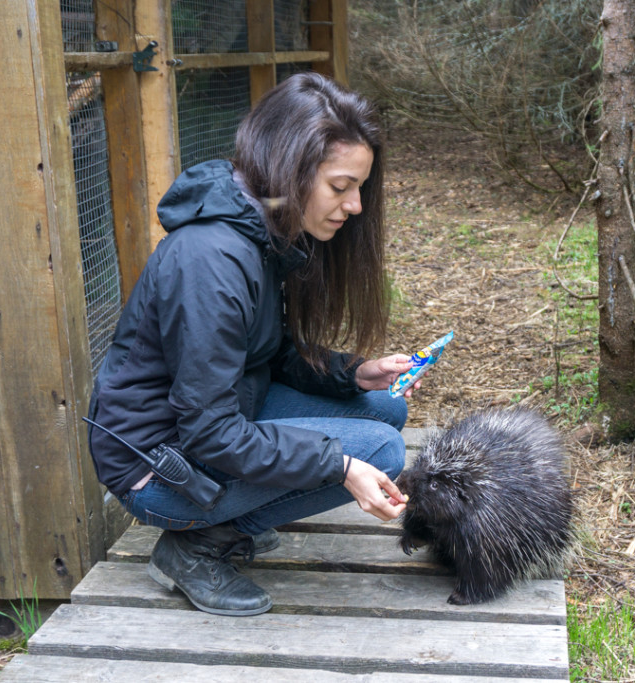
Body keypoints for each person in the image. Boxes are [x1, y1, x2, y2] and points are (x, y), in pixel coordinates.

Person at [87, 73, 420, 617]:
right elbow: (210, 433)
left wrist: (355, 373)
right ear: (292, 169)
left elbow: (269, 355)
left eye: (358, 187)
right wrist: (338, 466)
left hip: (219, 418)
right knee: (377, 452)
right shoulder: (212, 262)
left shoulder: (259, 230)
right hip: (161, 465)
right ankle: (195, 546)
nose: (356, 205)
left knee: (384, 406)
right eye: (341, 187)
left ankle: (235, 515)